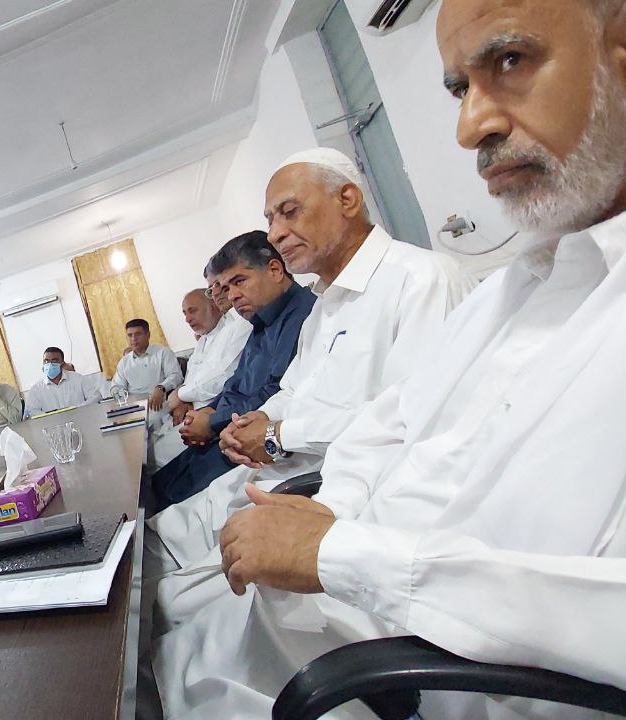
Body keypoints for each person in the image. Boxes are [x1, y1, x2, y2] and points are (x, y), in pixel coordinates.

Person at [151, 0, 626, 716]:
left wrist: (336, 547)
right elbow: (389, 424)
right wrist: (328, 512)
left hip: (428, 667)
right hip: (357, 578)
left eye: (511, 61)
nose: (471, 125)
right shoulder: (521, 286)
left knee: (167, 659)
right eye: (460, 89)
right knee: (155, 645)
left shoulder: (427, 281)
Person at [147, 147, 475, 631]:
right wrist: (254, 422)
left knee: (168, 614)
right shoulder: (324, 307)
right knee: (149, 552)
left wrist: (278, 434)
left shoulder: (421, 280)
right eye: (270, 219)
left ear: (347, 200)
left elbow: (410, 426)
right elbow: (292, 389)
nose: (275, 233)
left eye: (289, 211)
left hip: (332, 497)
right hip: (274, 471)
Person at [150, 232, 316, 511]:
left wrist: (212, 421)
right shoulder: (260, 322)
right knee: (156, 488)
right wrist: (209, 413)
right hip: (227, 426)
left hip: (256, 440)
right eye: (225, 288)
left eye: (239, 282)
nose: (232, 296)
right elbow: (235, 383)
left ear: (275, 270)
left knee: (166, 508)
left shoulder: (303, 315)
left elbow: (275, 392)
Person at [147, 283, 251, 471]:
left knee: (154, 460)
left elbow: (221, 379)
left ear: (213, 306)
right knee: (148, 446)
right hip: (189, 412)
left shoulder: (233, 329)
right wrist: (183, 401)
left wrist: (181, 395)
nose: (187, 319)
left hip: (214, 418)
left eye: (192, 311)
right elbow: (191, 381)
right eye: (184, 313)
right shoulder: (203, 340)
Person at [109, 319, 182, 412]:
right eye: (130, 335)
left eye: (138, 334)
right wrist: (118, 394)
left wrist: (161, 388)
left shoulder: (163, 353)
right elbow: (117, 386)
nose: (133, 339)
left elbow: (176, 376)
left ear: (148, 335)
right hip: (133, 408)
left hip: (157, 406)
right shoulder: (124, 362)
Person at [24, 347, 102, 416]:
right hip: (52, 424)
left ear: (62, 363)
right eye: (46, 361)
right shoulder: (36, 389)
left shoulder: (77, 378)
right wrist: (51, 417)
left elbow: (96, 397)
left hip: (80, 419)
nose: (50, 364)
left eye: (54, 361)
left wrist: (78, 409)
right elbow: (32, 411)